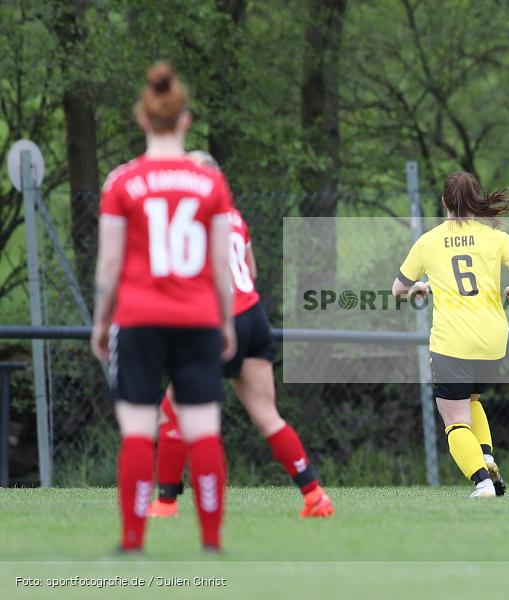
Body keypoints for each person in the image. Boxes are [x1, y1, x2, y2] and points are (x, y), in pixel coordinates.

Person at [91, 63, 236, 552]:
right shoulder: (210, 182)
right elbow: (220, 261)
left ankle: (133, 540)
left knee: (137, 430)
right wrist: (225, 320)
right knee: (203, 430)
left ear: (142, 118)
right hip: (197, 318)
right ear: (185, 120)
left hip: (138, 317)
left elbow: (110, 262)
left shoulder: (122, 181)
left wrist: (101, 321)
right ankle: (211, 541)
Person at [147, 151, 334, 520]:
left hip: (220, 319)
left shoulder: (190, 219)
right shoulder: (233, 217)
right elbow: (250, 270)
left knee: (172, 412)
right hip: (253, 316)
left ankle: (166, 503)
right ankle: (314, 495)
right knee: (268, 416)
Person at [392, 172, 509, 498]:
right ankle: (485, 456)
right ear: (476, 201)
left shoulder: (429, 241)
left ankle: (482, 482)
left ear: (444, 202)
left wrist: (418, 288)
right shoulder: (495, 237)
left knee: (455, 419)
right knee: (471, 400)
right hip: (492, 341)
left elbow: (398, 290)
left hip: (452, 342)